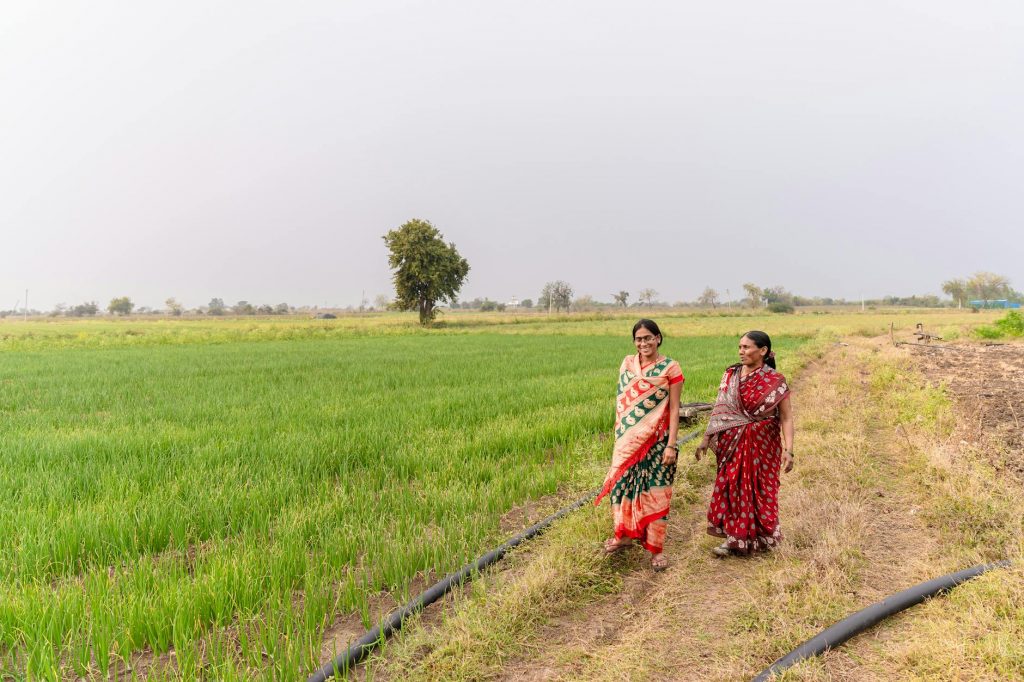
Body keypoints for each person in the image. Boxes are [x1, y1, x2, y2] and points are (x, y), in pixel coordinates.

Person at [695, 331, 794, 557]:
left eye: (747, 347)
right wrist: (706, 438)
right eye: (740, 347)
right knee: (733, 487)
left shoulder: (775, 381)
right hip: (732, 443)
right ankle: (734, 538)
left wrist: (789, 450)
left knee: (760, 489)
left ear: (763, 351)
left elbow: (786, 418)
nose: (741, 351)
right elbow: (720, 408)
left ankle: (763, 536)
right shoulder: (730, 375)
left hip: (763, 444)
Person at [595, 319, 683, 572]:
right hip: (627, 441)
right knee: (621, 487)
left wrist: (672, 445)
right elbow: (624, 404)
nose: (643, 343)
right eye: (639, 339)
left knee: (655, 491)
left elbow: (675, 408)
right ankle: (623, 536)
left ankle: (656, 550)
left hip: (658, 441)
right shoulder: (627, 364)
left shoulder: (671, 368)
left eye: (648, 338)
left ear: (658, 338)